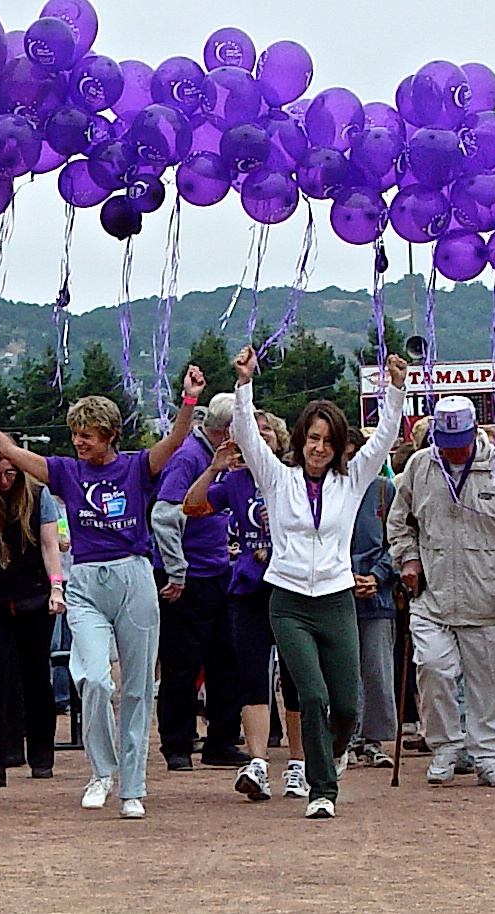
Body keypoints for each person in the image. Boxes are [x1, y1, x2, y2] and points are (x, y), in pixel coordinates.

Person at [0, 365, 207, 820]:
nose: (79, 443)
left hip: (133, 577)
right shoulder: (66, 472)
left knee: (135, 690)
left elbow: (173, 442)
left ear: (110, 435)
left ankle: (132, 787)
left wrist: (188, 400)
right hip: (88, 581)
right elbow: (10, 450)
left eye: (87, 435)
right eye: (75, 435)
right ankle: (101, 771)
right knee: (93, 678)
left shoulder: (136, 466)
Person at [229, 344, 406, 819]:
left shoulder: (352, 482)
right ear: (300, 440)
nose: (318, 447)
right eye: (311, 437)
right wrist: (244, 384)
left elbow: (384, 439)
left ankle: (336, 751)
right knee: (312, 695)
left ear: (337, 445)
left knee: (347, 704)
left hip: (335, 598)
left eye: (327, 440)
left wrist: (394, 391)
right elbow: (245, 434)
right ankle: (321, 790)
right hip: (287, 600)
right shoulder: (277, 479)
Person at [388, 396, 495, 788]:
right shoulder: (420, 467)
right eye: (444, 439)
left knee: (491, 678)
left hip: (487, 595)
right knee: (434, 669)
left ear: (475, 432)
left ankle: (490, 755)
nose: (451, 448)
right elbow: (400, 522)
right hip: (434, 596)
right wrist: (407, 559)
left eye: (459, 439)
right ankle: (444, 747)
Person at [185, 410, 294, 802]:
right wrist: (214, 467)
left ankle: (297, 765)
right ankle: (259, 763)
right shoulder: (234, 481)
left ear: (279, 440)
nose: (260, 436)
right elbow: (192, 506)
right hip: (249, 586)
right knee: (250, 674)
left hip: (293, 586)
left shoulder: (292, 477)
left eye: (267, 430)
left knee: (296, 680)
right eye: (253, 432)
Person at [150, 392, 246, 772]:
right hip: (190, 578)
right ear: (225, 432)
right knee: (182, 663)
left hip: (218, 570)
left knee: (226, 660)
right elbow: (164, 517)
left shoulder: (217, 456)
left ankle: (221, 740)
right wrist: (177, 571)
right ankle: (176, 744)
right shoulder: (189, 457)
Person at [0, 445, 67, 786]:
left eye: (10, 473)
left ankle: (41, 754)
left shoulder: (39, 496)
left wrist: (57, 588)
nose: (4, 480)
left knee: (36, 676)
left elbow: (50, 546)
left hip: (34, 597)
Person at [347, 427, 401, 771]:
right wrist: (346, 577)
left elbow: (398, 541)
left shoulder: (385, 491)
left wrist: (377, 577)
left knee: (378, 670)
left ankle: (374, 739)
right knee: (342, 670)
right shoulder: (323, 491)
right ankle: (344, 736)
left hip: (378, 595)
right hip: (335, 592)